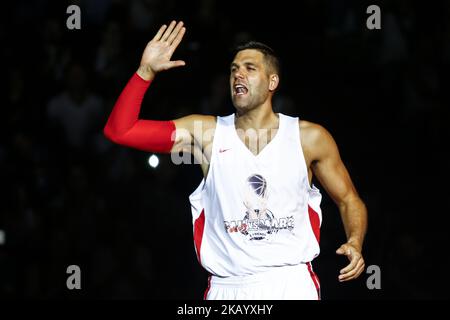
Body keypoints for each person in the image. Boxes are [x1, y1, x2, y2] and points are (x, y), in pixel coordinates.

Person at [103, 20, 368, 300]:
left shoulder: (309, 137)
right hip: (226, 287)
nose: (238, 74)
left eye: (249, 68)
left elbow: (349, 199)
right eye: (233, 70)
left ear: (272, 82)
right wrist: (145, 72)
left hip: (289, 283)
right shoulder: (205, 133)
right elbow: (120, 131)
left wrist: (355, 240)